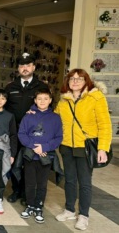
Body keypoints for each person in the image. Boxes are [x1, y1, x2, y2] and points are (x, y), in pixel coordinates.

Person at [54, 69, 111, 230]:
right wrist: (36, 113)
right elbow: (54, 119)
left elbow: (105, 125)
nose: (75, 81)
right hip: (66, 146)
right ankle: (69, 209)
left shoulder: (96, 98)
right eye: (72, 78)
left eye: (80, 78)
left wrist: (102, 149)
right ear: (68, 81)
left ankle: (83, 215)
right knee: (70, 180)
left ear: (86, 81)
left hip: (85, 147)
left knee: (85, 182)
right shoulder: (64, 101)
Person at [4, 52, 49, 204]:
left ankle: (26, 193)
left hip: (34, 134)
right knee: (13, 162)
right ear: (18, 68)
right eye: (22, 65)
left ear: (34, 67)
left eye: (28, 65)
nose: (25, 68)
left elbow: (49, 108)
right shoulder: (11, 87)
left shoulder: (41, 87)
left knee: (29, 163)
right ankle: (16, 190)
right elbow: (4, 108)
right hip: (14, 132)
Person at [18, 88, 63, 223]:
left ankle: (39, 206)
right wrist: (34, 146)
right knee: (30, 183)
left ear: (50, 101)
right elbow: (22, 134)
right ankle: (30, 205)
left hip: (46, 156)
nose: (42, 101)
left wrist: (45, 147)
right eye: (39, 99)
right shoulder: (28, 116)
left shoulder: (55, 118)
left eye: (45, 99)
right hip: (30, 155)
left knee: (42, 184)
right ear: (35, 101)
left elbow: (58, 137)